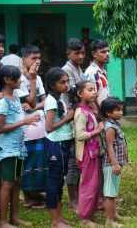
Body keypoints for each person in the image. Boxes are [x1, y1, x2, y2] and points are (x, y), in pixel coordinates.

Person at [0, 65, 40, 228]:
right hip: (8, 150)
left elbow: (32, 100)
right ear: (7, 80)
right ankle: (2, 221)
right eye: (18, 78)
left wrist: (33, 79)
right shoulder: (3, 103)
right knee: (7, 184)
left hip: (19, 149)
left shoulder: (15, 97)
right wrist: (24, 121)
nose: (21, 80)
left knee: (16, 183)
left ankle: (14, 218)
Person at [16, 45, 47, 209]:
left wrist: (35, 107)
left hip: (38, 124)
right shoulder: (18, 79)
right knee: (28, 159)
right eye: (33, 58)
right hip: (24, 126)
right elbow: (31, 100)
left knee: (39, 158)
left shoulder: (38, 78)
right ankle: (28, 195)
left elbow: (43, 101)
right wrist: (33, 80)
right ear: (24, 59)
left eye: (38, 58)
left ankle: (36, 192)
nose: (37, 62)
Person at [44, 67, 74, 228]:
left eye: (67, 81)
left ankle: (60, 218)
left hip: (63, 142)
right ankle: (55, 220)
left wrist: (67, 116)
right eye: (62, 82)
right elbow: (49, 127)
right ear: (52, 84)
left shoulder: (60, 98)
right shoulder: (51, 101)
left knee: (59, 181)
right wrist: (67, 118)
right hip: (56, 144)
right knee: (54, 182)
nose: (66, 85)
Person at [72, 80, 104, 227]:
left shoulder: (88, 109)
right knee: (88, 185)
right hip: (86, 153)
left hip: (93, 152)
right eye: (90, 90)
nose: (94, 92)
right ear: (80, 94)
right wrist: (96, 131)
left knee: (94, 183)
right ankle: (84, 218)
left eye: (95, 89)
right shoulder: (81, 112)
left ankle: (91, 210)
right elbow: (80, 135)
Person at [61, 37, 86, 209]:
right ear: (68, 53)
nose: (81, 56)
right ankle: (72, 199)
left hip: (79, 115)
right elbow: (72, 94)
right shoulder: (66, 70)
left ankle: (79, 194)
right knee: (72, 160)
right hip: (70, 117)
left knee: (79, 158)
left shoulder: (78, 68)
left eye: (83, 53)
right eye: (77, 53)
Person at [101, 97, 128, 228]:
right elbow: (109, 146)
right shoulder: (110, 127)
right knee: (110, 194)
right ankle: (109, 221)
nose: (121, 112)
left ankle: (114, 215)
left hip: (115, 164)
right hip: (111, 165)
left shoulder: (115, 124)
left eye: (121, 109)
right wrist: (115, 163)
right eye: (117, 110)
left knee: (114, 192)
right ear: (108, 113)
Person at [84, 39, 110, 106]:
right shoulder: (91, 72)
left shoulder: (102, 71)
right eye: (103, 52)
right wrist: (99, 115)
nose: (107, 54)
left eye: (108, 51)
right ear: (94, 54)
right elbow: (91, 98)